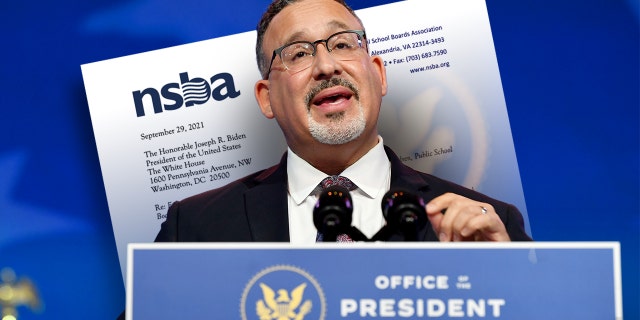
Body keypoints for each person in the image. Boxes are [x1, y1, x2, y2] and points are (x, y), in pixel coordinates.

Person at [154, 0, 532, 243]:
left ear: (379, 76)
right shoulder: (192, 227)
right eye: (298, 53)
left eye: (343, 44)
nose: (326, 65)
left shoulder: (489, 227)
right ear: (266, 98)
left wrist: (500, 279)